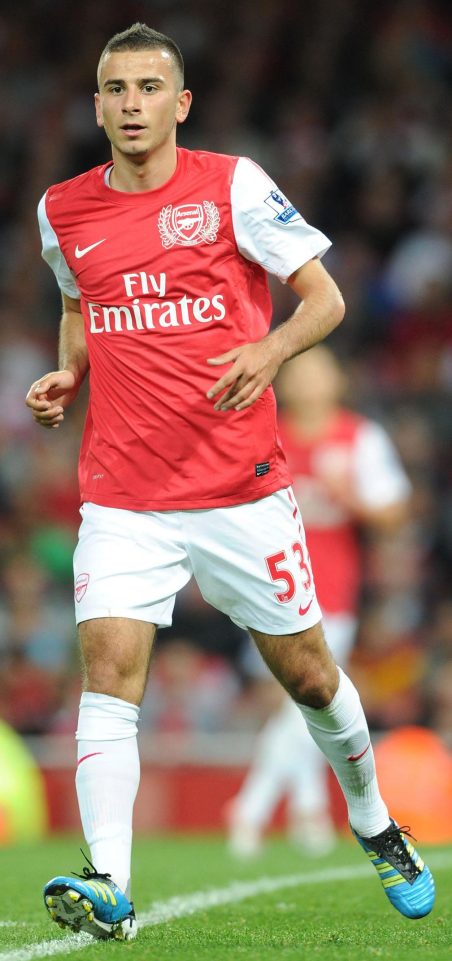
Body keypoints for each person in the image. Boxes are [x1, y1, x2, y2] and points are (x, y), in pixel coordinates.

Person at [25, 22, 434, 942]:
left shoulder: (234, 186)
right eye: (114, 89)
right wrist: (70, 373)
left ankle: (373, 821)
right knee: (108, 673)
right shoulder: (62, 210)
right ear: (95, 105)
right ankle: (110, 884)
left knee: (313, 678)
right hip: (124, 494)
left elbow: (322, 298)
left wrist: (270, 347)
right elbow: (77, 307)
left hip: (241, 490)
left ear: (181, 103)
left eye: (147, 89)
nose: (131, 105)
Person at [227, 345, 412, 857]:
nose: (308, 381)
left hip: (332, 593)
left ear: (337, 380)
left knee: (309, 701)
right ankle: (304, 811)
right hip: (265, 586)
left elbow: (396, 513)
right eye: (298, 371)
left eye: (317, 370)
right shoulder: (265, 430)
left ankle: (253, 807)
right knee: (301, 706)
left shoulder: (359, 437)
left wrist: (348, 495)